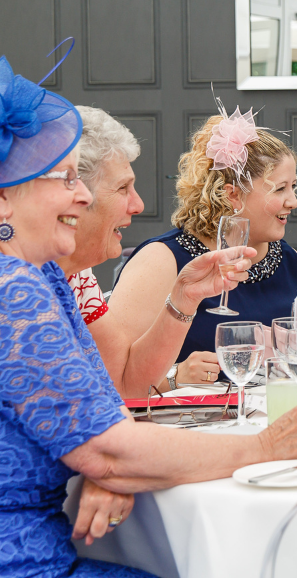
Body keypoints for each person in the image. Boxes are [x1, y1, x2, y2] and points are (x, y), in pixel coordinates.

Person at [0, 55, 297, 577]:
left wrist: (183, 298)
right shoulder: (0, 285)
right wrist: (266, 446)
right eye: (64, 182)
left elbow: (113, 395)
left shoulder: (41, 277)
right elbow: (109, 448)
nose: (80, 196)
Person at [110, 106, 297, 387]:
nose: (293, 201)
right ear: (233, 195)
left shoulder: (291, 261)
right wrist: (174, 377)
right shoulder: (161, 261)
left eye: (294, 186)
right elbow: (110, 376)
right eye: (280, 189)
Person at [54, 106, 231, 397]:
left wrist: (184, 298)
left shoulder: (77, 276)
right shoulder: (4, 276)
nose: (138, 205)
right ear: (72, 194)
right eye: (123, 188)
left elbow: (127, 385)